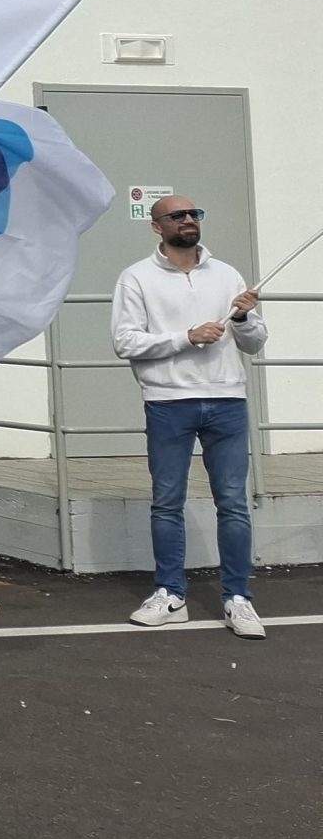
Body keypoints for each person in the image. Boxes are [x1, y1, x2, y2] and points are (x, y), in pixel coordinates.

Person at [111, 195, 267, 636]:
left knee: (234, 503)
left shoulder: (228, 274)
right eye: (177, 216)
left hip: (227, 400)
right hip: (168, 403)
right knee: (166, 503)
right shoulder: (136, 278)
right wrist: (186, 337)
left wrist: (243, 319)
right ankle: (170, 594)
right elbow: (125, 342)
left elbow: (254, 343)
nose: (188, 220)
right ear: (156, 227)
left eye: (195, 213)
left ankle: (238, 599)